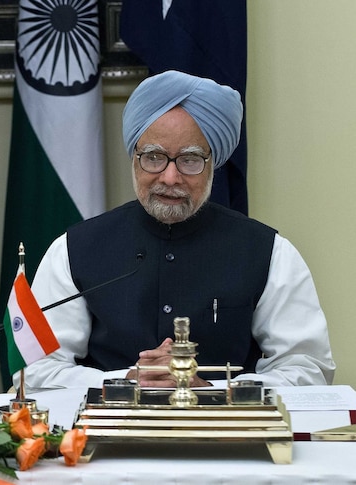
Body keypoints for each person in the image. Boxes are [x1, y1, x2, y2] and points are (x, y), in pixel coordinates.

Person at [21, 70, 335, 389]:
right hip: (105, 435)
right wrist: (128, 381)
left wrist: (210, 392)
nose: (170, 177)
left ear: (214, 163)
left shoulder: (268, 252)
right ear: (134, 157)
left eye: (190, 160)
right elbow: (37, 370)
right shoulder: (75, 249)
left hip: (229, 436)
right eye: (154, 157)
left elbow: (308, 368)